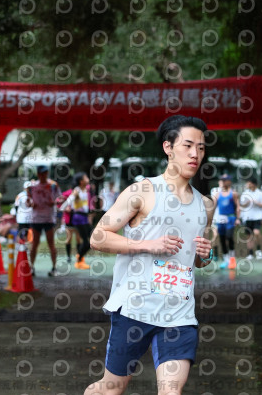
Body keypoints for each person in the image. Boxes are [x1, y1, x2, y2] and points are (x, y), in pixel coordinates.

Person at [85, 115, 215, 395]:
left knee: (171, 391)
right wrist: (148, 244)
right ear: (168, 147)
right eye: (188, 146)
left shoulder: (206, 205)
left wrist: (205, 255)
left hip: (179, 314)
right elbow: (98, 237)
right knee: (110, 389)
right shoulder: (142, 191)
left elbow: (196, 260)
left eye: (201, 148)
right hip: (135, 308)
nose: (195, 154)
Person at [27, 164, 61, 277]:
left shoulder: (53, 185)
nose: (44, 175)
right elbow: (28, 201)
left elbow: (59, 199)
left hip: (48, 219)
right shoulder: (32, 186)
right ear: (38, 174)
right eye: (42, 173)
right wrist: (31, 204)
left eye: (45, 173)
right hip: (36, 219)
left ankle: (54, 268)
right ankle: (31, 267)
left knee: (51, 244)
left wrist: (54, 202)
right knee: (34, 244)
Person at [60, 172, 94, 270]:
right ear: (81, 181)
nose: (88, 178)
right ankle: (79, 259)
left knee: (93, 239)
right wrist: (64, 207)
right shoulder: (77, 190)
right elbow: (67, 202)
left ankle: (79, 257)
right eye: (86, 177)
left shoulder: (85, 190)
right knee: (87, 242)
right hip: (78, 218)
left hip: (84, 217)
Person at [213, 174, 240, 267]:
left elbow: (238, 207)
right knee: (222, 239)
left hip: (230, 218)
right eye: (222, 180)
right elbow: (213, 207)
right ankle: (225, 259)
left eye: (225, 180)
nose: (224, 182)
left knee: (229, 236)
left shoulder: (233, 193)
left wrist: (238, 218)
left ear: (229, 181)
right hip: (220, 219)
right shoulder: (217, 194)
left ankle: (232, 258)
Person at [240, 178, 262, 260]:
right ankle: (250, 253)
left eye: (249, 183)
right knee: (249, 236)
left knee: (256, 233)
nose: (247, 185)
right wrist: (247, 202)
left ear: (253, 184)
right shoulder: (245, 193)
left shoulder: (260, 193)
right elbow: (242, 205)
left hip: (257, 217)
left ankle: (259, 251)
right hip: (247, 217)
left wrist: (256, 202)